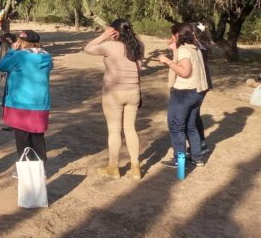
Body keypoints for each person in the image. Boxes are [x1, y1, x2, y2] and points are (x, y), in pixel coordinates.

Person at [83, 19, 145, 179]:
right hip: (134, 91)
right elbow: (139, 68)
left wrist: (103, 36)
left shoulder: (110, 46)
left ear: (115, 31)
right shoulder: (139, 45)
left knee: (114, 131)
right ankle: (136, 167)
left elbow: (87, 49)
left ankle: (113, 167)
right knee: (131, 130)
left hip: (114, 93)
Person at [0, 30, 53, 172]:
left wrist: (11, 51)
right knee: (38, 136)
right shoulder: (47, 57)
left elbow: (2, 66)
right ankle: (40, 168)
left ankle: (27, 170)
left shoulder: (19, 56)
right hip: (40, 103)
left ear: (22, 42)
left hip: (20, 103)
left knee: (22, 139)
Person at [156, 23, 209, 168]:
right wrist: (174, 49)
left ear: (177, 35)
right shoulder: (195, 48)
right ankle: (197, 157)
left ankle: (179, 161)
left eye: (173, 35)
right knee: (190, 126)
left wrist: (166, 61)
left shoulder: (185, 50)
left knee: (176, 127)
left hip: (184, 94)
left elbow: (184, 72)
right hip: (196, 93)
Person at [191, 23, 212, 155]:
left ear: (193, 34)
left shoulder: (197, 47)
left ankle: (198, 147)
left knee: (192, 115)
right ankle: (201, 144)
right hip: (202, 83)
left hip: (199, 84)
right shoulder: (200, 46)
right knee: (195, 114)